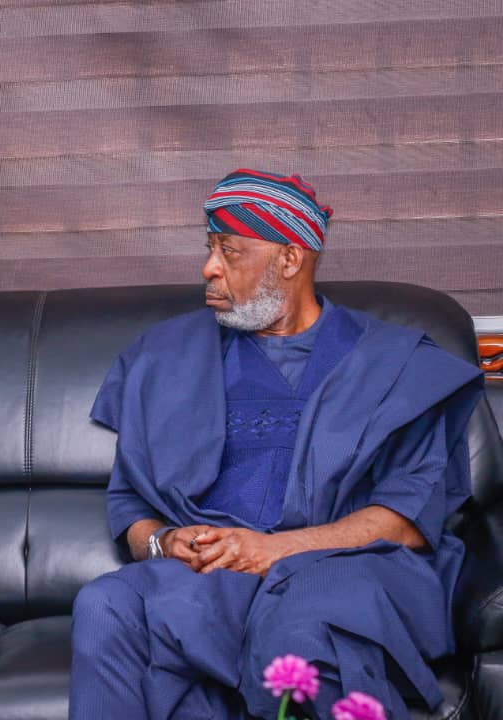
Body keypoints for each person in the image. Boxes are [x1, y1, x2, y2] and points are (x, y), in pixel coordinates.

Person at [69, 170, 484, 719]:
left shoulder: (393, 363)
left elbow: (407, 516)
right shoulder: (165, 357)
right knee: (106, 603)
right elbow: (130, 502)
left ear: (290, 258)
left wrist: (275, 550)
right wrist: (164, 542)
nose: (209, 267)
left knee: (297, 637)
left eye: (230, 251)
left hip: (341, 565)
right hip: (210, 575)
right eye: (210, 248)